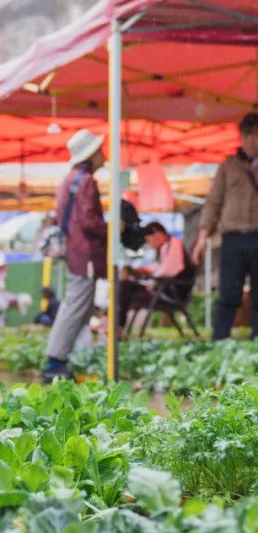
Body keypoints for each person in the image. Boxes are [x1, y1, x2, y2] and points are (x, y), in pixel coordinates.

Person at [193, 112, 258, 340]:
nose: (252, 141)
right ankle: (219, 342)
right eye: (247, 135)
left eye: (257, 135)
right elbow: (214, 200)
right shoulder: (229, 166)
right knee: (228, 294)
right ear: (240, 137)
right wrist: (203, 234)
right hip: (233, 238)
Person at [43, 129, 108, 383]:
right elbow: (88, 220)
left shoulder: (69, 179)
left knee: (79, 307)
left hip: (74, 251)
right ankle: (55, 361)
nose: (104, 154)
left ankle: (61, 358)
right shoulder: (86, 181)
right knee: (75, 306)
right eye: (100, 150)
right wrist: (113, 229)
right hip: (85, 254)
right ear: (91, 154)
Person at [118, 221, 193, 329]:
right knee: (125, 285)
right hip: (162, 289)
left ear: (157, 234)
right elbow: (160, 266)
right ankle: (118, 324)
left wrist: (151, 282)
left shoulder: (174, 243)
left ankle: (118, 326)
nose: (150, 244)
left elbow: (169, 269)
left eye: (149, 240)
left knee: (126, 289)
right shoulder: (164, 248)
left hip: (171, 293)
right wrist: (143, 270)